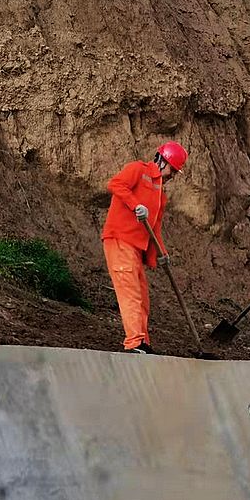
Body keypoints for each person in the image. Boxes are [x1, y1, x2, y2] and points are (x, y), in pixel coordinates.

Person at [101, 141, 188, 354]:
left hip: (136, 250)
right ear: (163, 161)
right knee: (130, 293)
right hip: (120, 240)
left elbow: (155, 228)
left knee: (142, 298)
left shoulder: (161, 195)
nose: (173, 175)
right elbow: (115, 184)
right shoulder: (138, 170)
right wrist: (135, 205)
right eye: (173, 170)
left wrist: (161, 253)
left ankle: (143, 343)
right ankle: (134, 343)